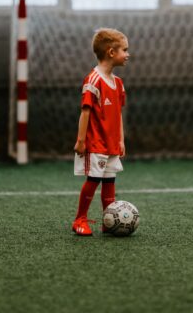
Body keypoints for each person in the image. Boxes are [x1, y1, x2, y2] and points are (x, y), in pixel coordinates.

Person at [72, 28, 130, 236]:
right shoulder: (93, 80)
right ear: (111, 52)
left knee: (110, 182)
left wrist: (121, 140)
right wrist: (81, 141)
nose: (128, 54)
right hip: (95, 142)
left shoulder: (119, 84)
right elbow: (85, 113)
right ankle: (80, 219)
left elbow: (118, 115)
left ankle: (109, 220)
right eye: (125, 50)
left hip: (111, 143)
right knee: (93, 180)